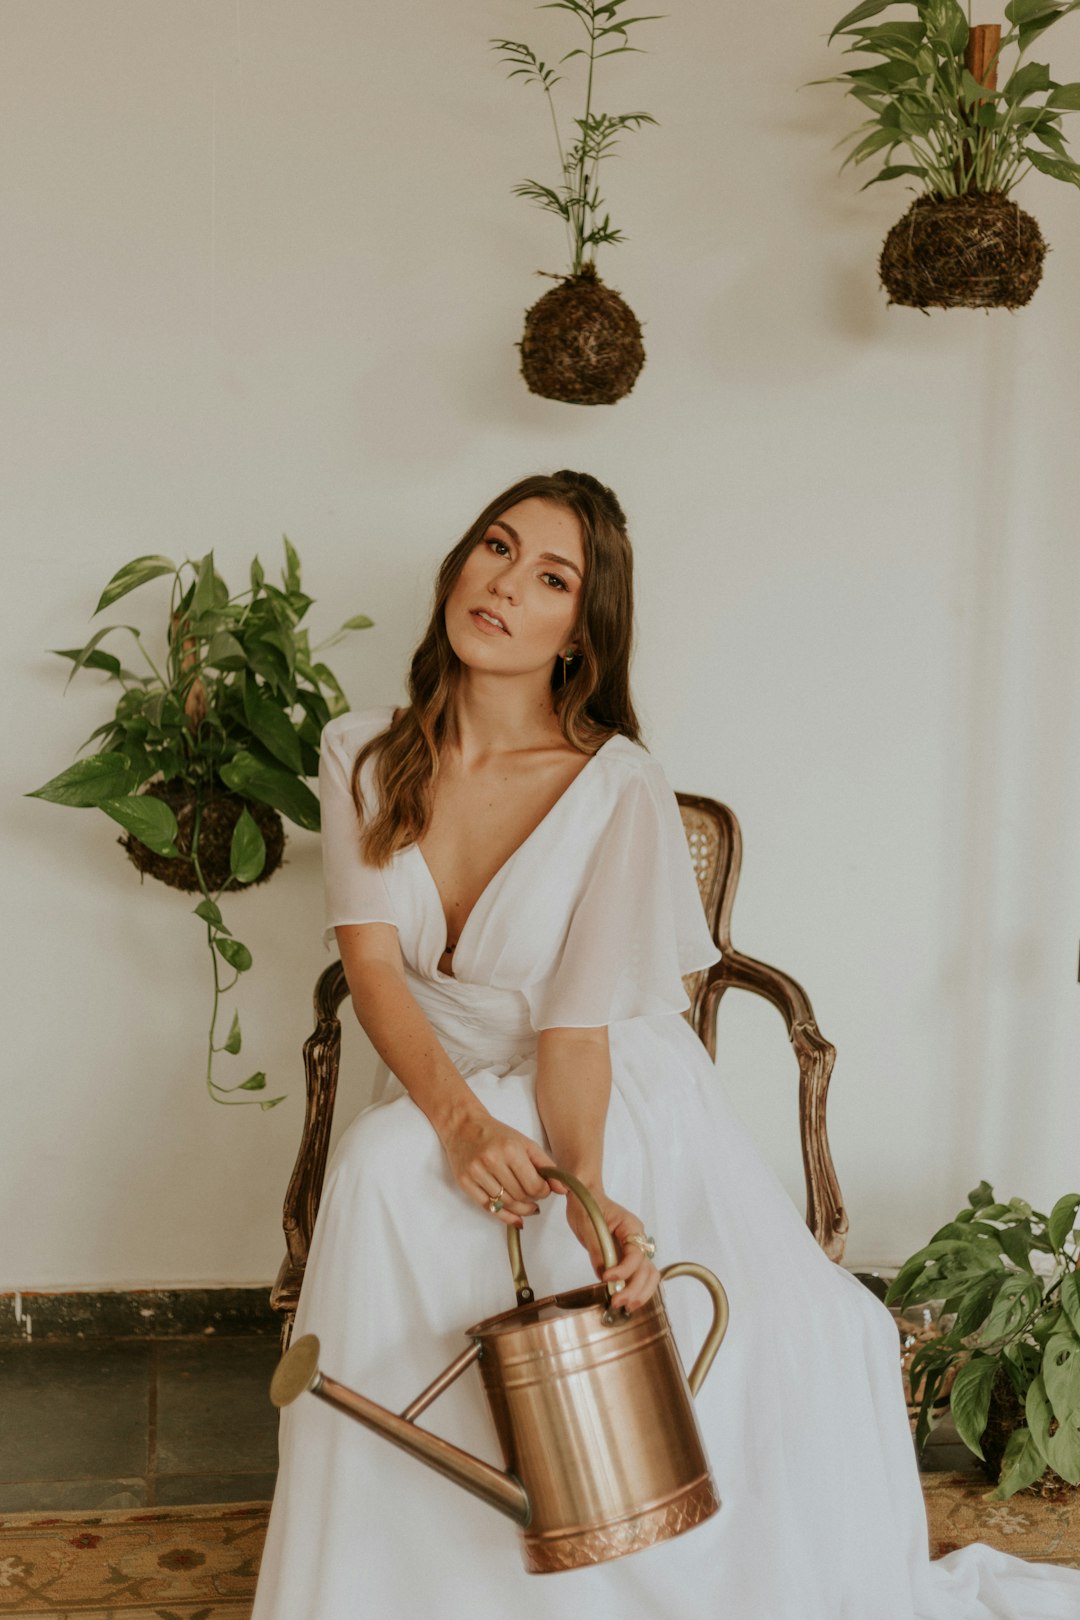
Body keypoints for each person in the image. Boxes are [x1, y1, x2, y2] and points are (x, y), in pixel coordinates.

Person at [252, 470, 1080, 1620]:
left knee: (741, 1318)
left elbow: (576, 1030)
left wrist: (588, 1197)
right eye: (495, 547)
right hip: (445, 1085)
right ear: (457, 565)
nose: (505, 584)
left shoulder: (616, 785)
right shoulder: (361, 751)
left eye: (551, 578)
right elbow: (375, 970)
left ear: (579, 639)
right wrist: (458, 1121)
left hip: (605, 1081)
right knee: (381, 1172)